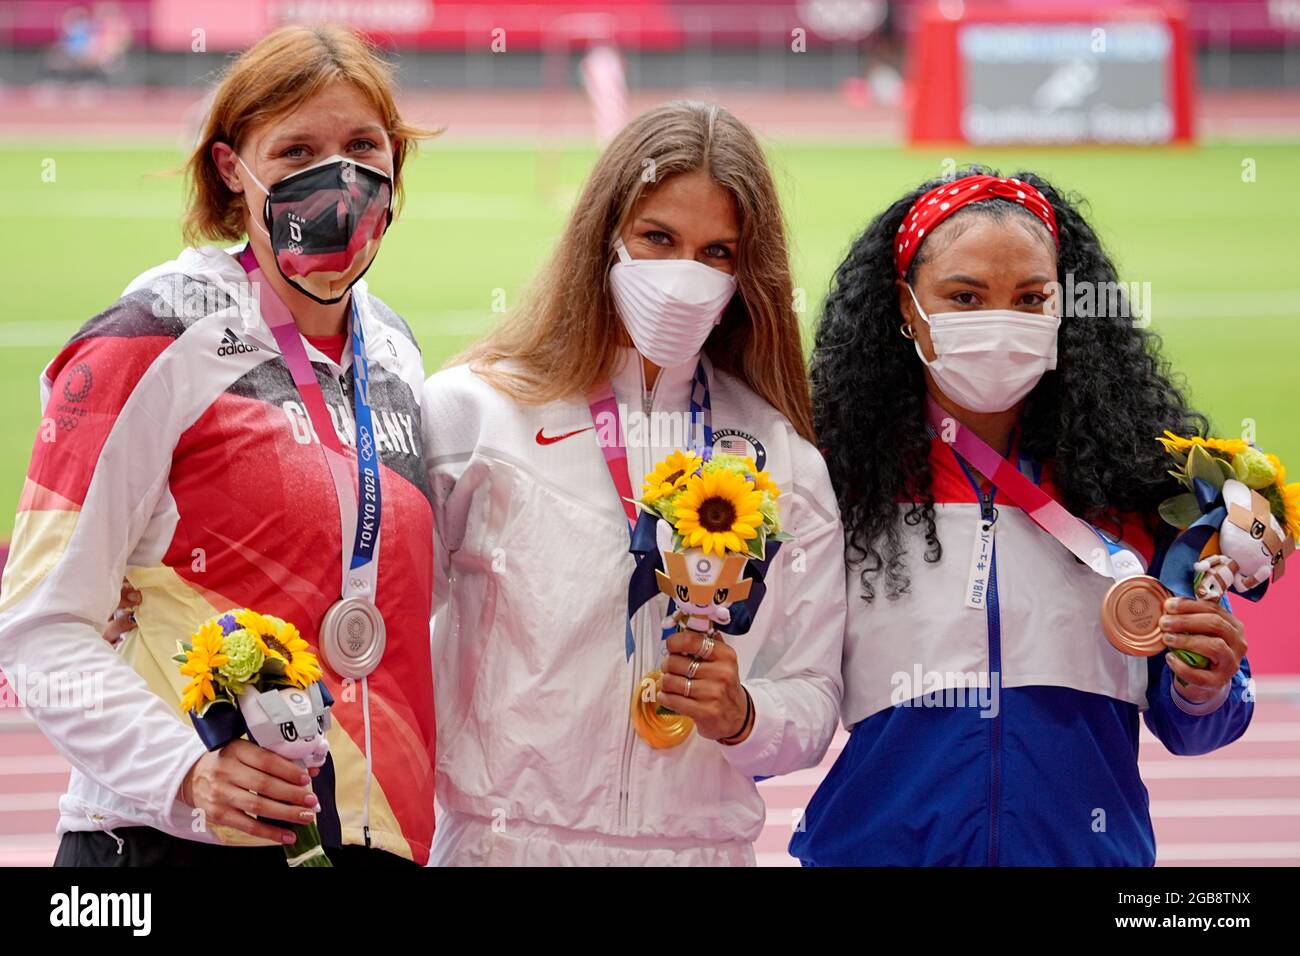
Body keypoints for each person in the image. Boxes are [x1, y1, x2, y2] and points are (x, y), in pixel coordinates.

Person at [0, 25, 438, 866]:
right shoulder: (153, 337)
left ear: (394, 167)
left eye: (361, 147)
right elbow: (37, 630)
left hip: (364, 838)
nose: (337, 178)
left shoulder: (395, 353)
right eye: (297, 148)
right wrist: (188, 774)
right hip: (169, 844)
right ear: (232, 169)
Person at [422, 101, 846, 865]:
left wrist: (745, 715)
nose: (684, 274)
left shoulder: (783, 458)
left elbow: (815, 695)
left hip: (699, 851)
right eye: (658, 238)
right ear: (603, 238)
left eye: (717, 251)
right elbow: (388, 634)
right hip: (503, 845)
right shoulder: (473, 414)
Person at [791, 169, 1254, 866]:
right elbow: (778, 718)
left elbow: (1195, 729)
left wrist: (1205, 682)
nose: (999, 321)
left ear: (1064, 308)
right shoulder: (836, 481)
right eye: (965, 297)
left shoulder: (1138, 485)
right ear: (907, 308)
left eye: (1030, 298)